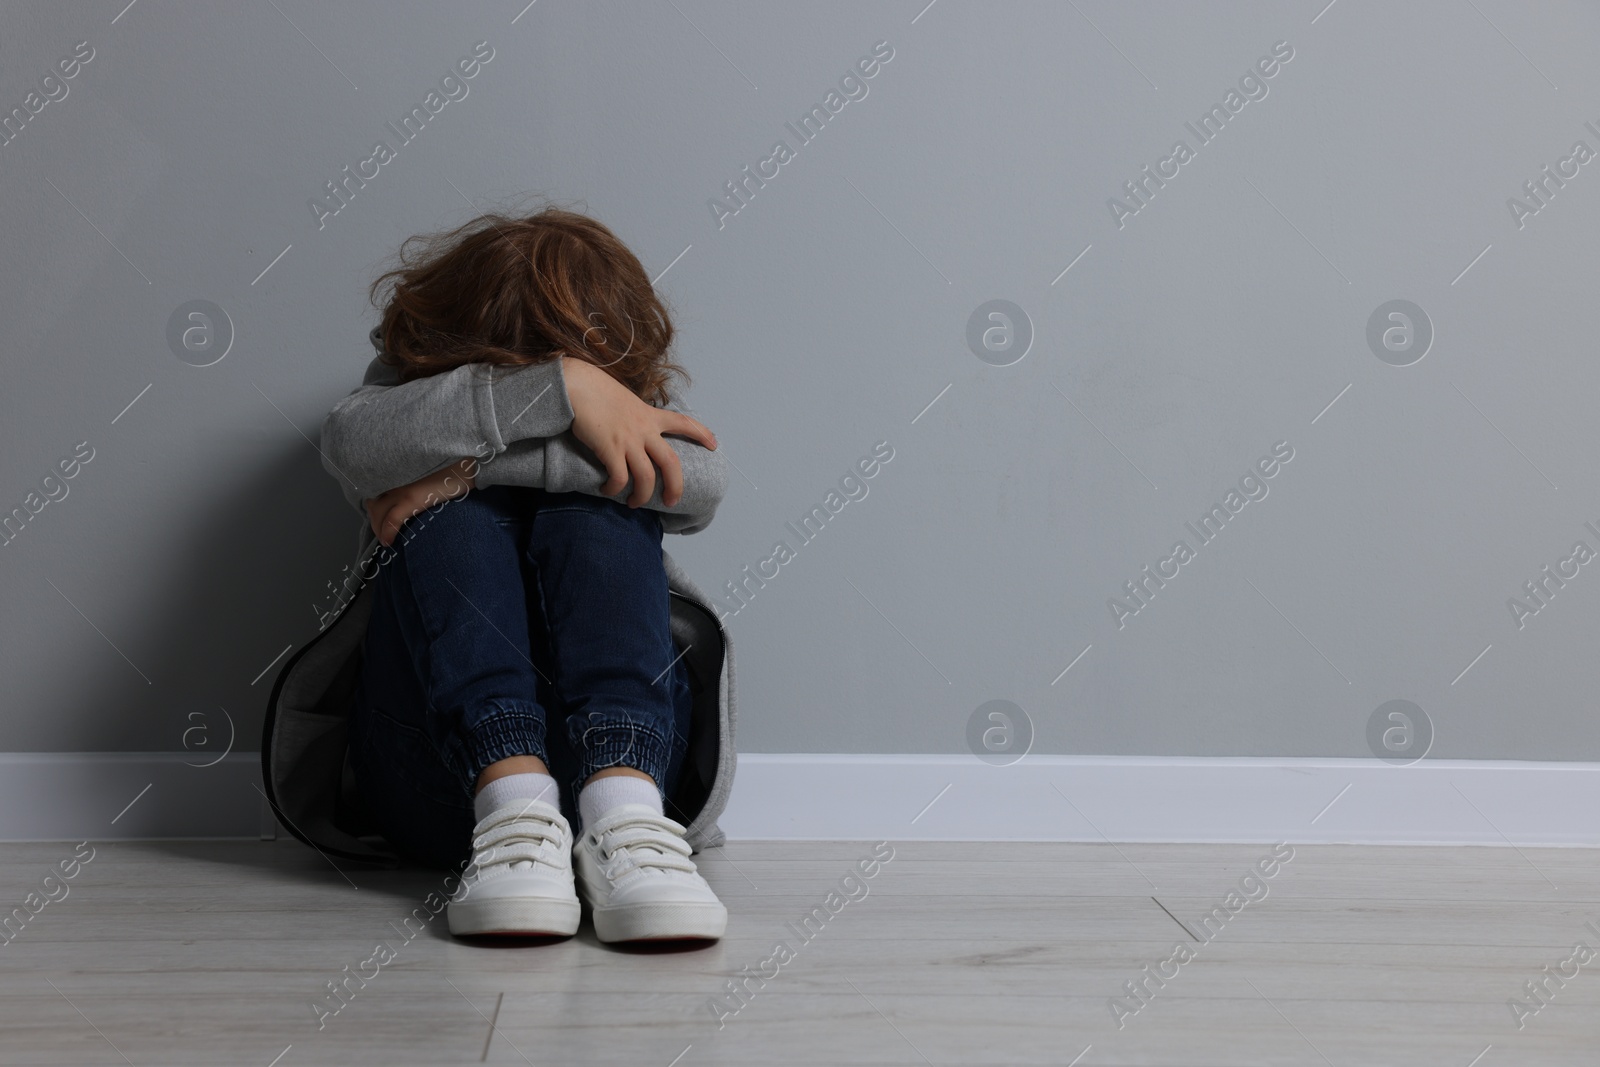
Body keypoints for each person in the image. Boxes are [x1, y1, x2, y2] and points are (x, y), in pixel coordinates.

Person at [285, 207, 734, 943]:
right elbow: (351, 440)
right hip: (443, 785)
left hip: (636, 782)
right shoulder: (400, 403)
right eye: (498, 374)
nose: (556, 390)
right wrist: (558, 394)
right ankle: (512, 803)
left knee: (605, 509)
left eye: (572, 374)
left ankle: (624, 814)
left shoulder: (629, 405)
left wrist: (459, 467)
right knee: (458, 518)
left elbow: (704, 481)